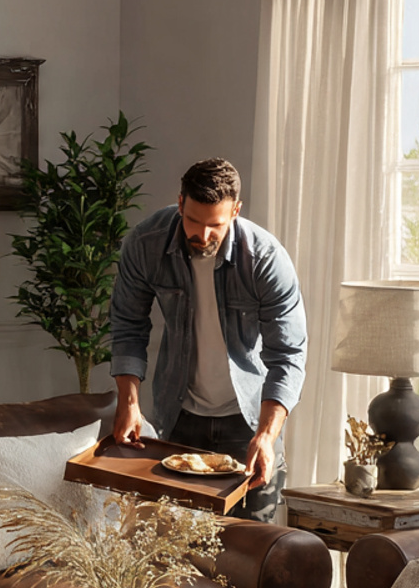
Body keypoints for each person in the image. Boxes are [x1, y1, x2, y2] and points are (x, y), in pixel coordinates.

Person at [109, 157, 306, 522]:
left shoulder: (265, 259)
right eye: (192, 221)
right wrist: (129, 402)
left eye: (215, 225)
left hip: (248, 421)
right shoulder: (146, 244)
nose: (202, 236)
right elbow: (128, 324)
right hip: (181, 417)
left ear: (236, 211)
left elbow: (288, 355)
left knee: (250, 546)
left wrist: (266, 435)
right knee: (178, 544)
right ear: (180, 203)